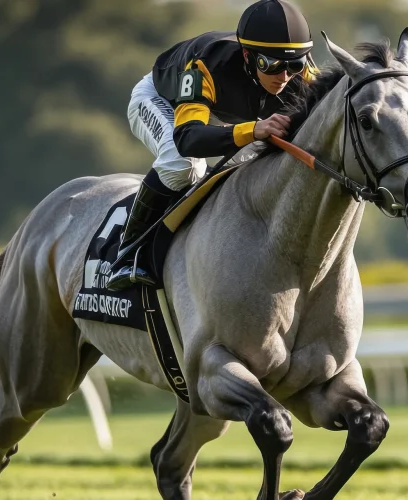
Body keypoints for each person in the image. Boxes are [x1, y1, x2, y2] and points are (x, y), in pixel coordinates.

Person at [108, 0, 318, 291]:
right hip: (164, 102)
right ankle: (128, 253)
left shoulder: (302, 74)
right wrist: (253, 129)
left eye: (294, 64)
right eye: (271, 64)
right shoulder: (206, 64)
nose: (284, 76)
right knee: (182, 165)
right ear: (247, 55)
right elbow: (188, 138)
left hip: (221, 116)